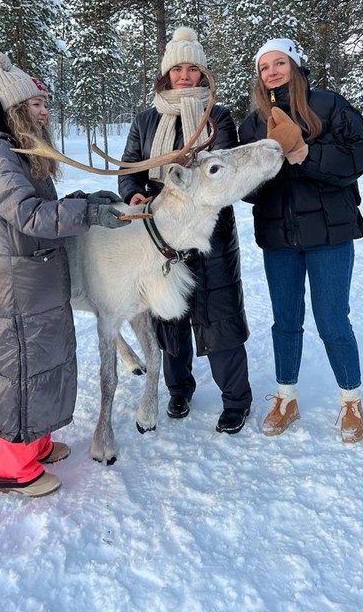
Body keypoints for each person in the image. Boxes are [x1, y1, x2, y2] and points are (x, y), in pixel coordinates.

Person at [0, 51, 129, 497]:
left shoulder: (17, 148)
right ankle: (10, 470)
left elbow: (40, 205)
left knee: (42, 361)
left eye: (44, 104)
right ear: (16, 109)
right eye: (36, 105)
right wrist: (87, 213)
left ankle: (35, 444)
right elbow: (28, 215)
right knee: (20, 367)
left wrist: (83, 198)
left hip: (34, 275)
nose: (44, 111)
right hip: (15, 282)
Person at [238, 38, 363, 443]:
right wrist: (262, 169)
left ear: (295, 66)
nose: (272, 72)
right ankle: (286, 398)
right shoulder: (252, 124)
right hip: (279, 238)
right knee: (286, 322)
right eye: (265, 67)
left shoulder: (329, 106)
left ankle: (351, 400)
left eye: (280, 63)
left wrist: (303, 154)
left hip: (330, 236)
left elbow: (357, 158)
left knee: (332, 321)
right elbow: (247, 189)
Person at [119, 26, 252, 434]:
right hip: (159, 236)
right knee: (168, 315)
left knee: (219, 316)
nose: (185, 75)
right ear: (166, 73)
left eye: (193, 68)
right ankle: (179, 388)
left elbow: (221, 169)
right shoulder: (146, 120)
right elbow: (129, 168)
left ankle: (236, 399)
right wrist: (135, 195)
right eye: (178, 68)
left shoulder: (218, 116)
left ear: (203, 75)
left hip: (209, 230)